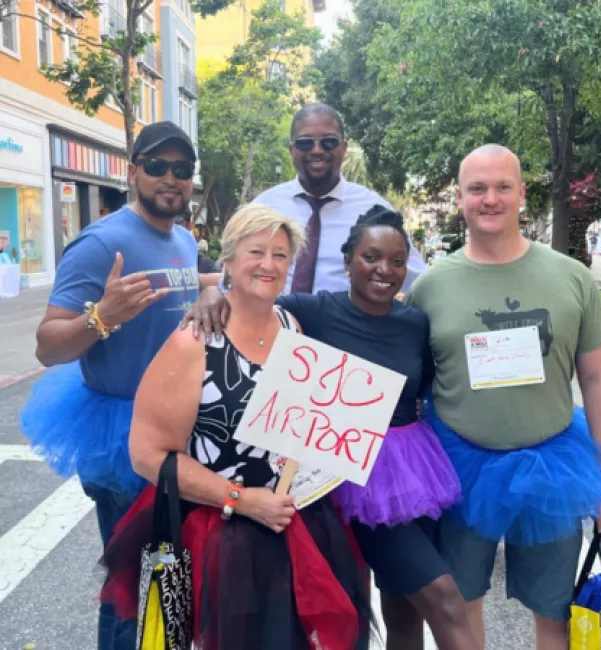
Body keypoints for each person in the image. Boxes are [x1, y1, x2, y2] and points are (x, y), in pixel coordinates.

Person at [101, 204, 372, 650]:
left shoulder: (291, 327)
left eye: (281, 255)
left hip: (292, 520)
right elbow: (147, 455)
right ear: (227, 259)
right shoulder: (194, 343)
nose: (268, 264)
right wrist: (243, 501)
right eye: (256, 251)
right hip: (220, 532)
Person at [407, 144, 601, 650]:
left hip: (551, 466)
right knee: (459, 606)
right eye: (477, 188)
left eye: (503, 186)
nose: (490, 199)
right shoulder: (430, 287)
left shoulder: (571, 277)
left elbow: (597, 379)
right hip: (460, 465)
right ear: (459, 197)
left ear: (522, 193)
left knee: (554, 611)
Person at [19, 121, 218, 650]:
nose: (170, 177)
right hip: (120, 434)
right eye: (157, 166)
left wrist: (222, 284)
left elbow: (182, 285)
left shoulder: (181, 237)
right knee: (135, 580)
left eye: (182, 169)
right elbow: (48, 345)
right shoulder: (100, 243)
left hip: (176, 426)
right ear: (133, 172)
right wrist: (102, 317)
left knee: (165, 574)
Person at [275, 206, 477, 650]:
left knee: (404, 609)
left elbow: (421, 388)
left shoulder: (414, 323)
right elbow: (253, 308)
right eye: (370, 257)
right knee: (444, 600)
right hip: (352, 476)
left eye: (397, 260)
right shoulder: (313, 311)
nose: (385, 271)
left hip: (416, 472)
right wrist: (214, 296)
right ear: (347, 261)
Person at [252, 103, 425, 294]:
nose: (316, 150)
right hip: (272, 321)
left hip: (345, 324)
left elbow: (419, 283)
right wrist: (215, 291)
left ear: (343, 148)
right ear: (292, 150)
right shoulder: (263, 208)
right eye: (305, 143)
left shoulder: (374, 210)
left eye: (329, 142)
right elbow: (235, 270)